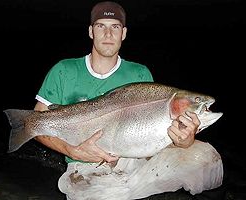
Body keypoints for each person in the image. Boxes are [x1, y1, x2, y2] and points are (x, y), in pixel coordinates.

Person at [33, 1, 222, 199]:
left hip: (134, 160)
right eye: (101, 26)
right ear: (91, 32)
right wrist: (72, 150)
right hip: (84, 167)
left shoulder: (140, 74)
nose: (108, 34)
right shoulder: (64, 70)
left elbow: (153, 140)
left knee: (206, 157)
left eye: (115, 27)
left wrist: (183, 141)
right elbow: (36, 123)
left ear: (123, 33)